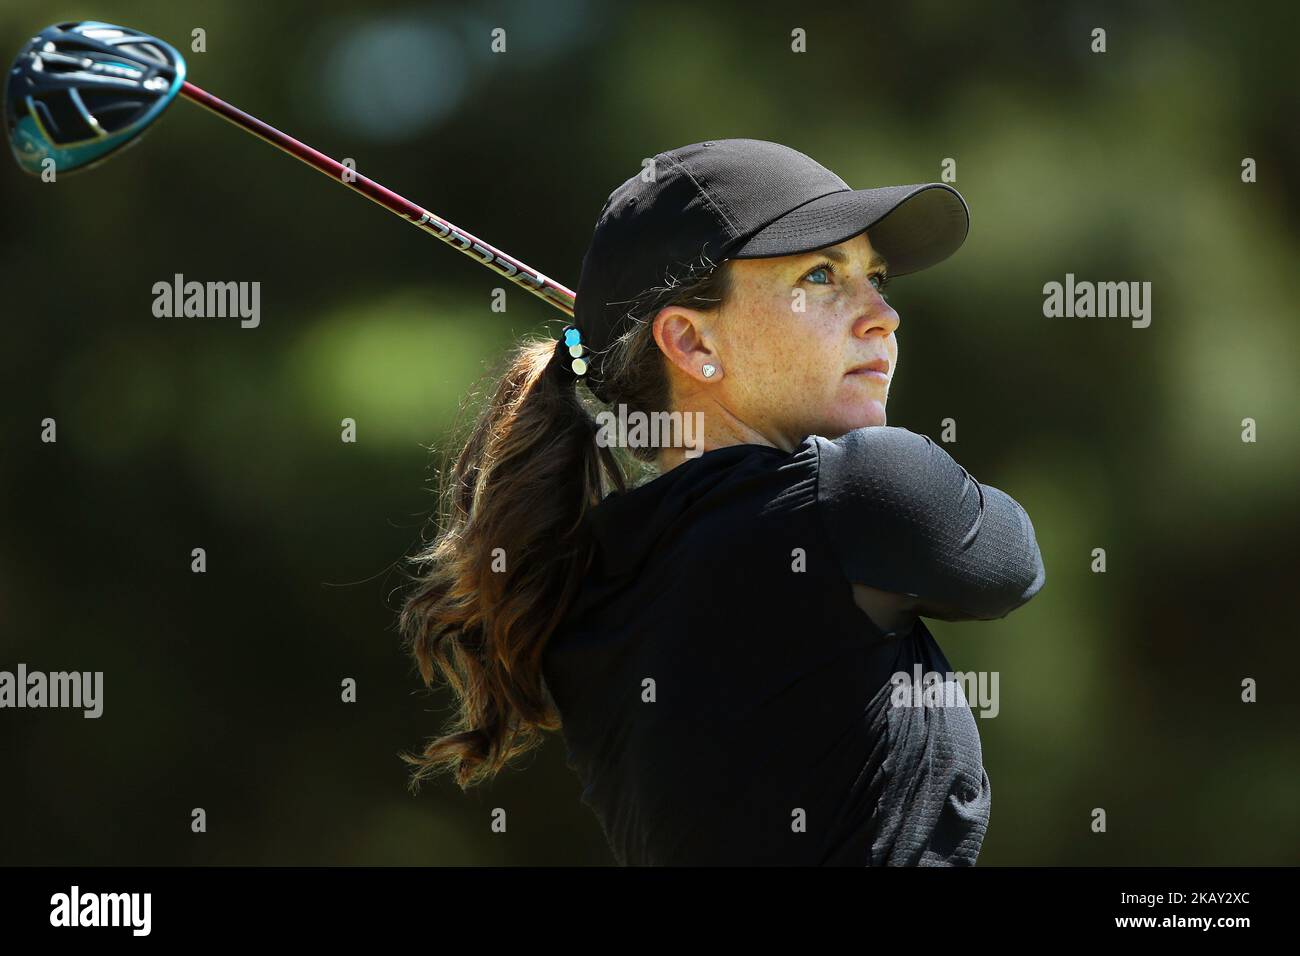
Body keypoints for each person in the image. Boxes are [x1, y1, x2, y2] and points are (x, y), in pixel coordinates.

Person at [398, 138, 1046, 866]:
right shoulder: (861, 494)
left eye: (878, 278)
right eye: (823, 275)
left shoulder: (592, 585)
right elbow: (1012, 560)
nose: (882, 316)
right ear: (690, 341)